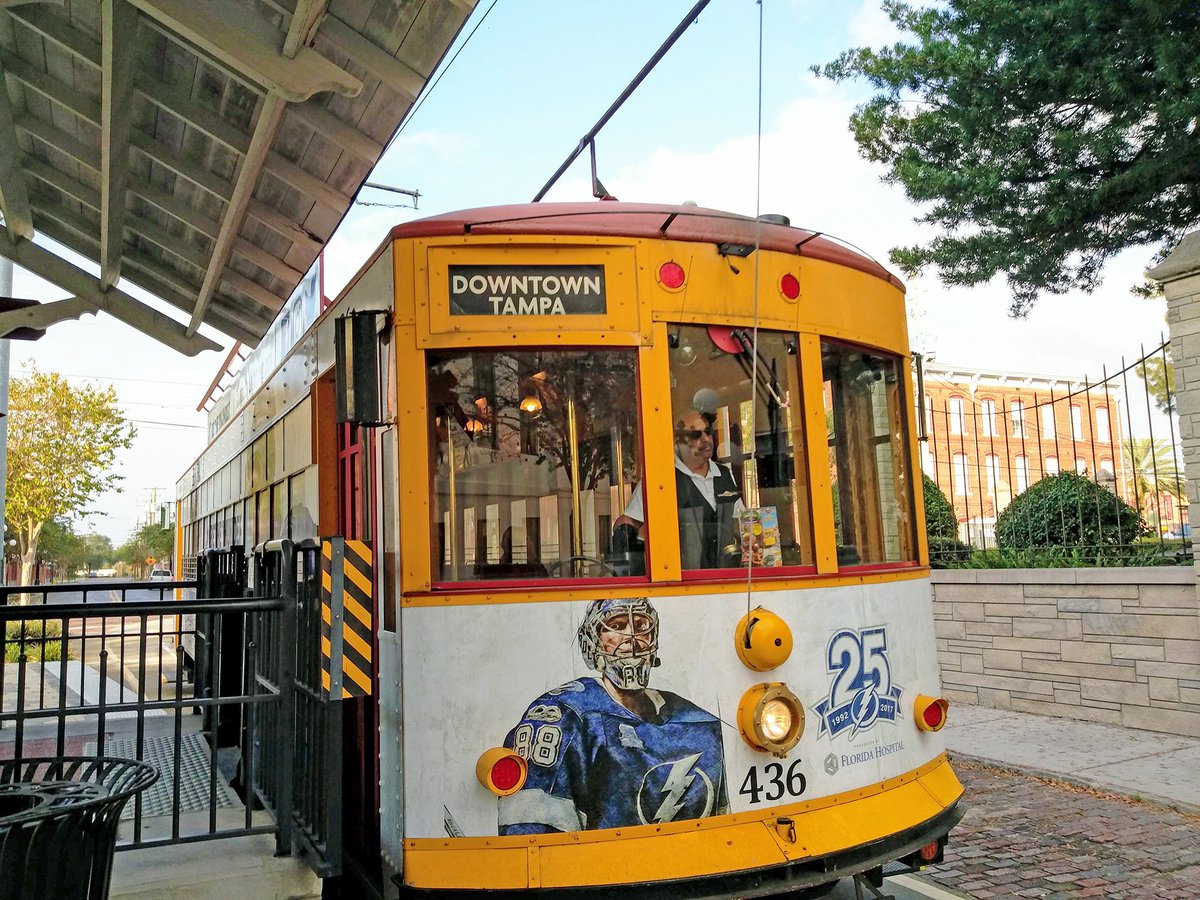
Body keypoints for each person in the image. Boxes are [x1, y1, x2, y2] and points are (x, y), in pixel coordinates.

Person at [497, 597, 728, 835]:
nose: (631, 638)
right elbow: (530, 835)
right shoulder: (566, 714)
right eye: (617, 627)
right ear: (593, 642)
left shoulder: (699, 721)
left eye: (640, 626)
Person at [613, 409, 744, 569]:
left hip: (726, 579)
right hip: (681, 584)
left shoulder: (724, 474)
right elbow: (627, 523)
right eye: (696, 434)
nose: (705, 439)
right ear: (677, 441)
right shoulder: (661, 479)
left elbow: (740, 522)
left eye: (708, 432)